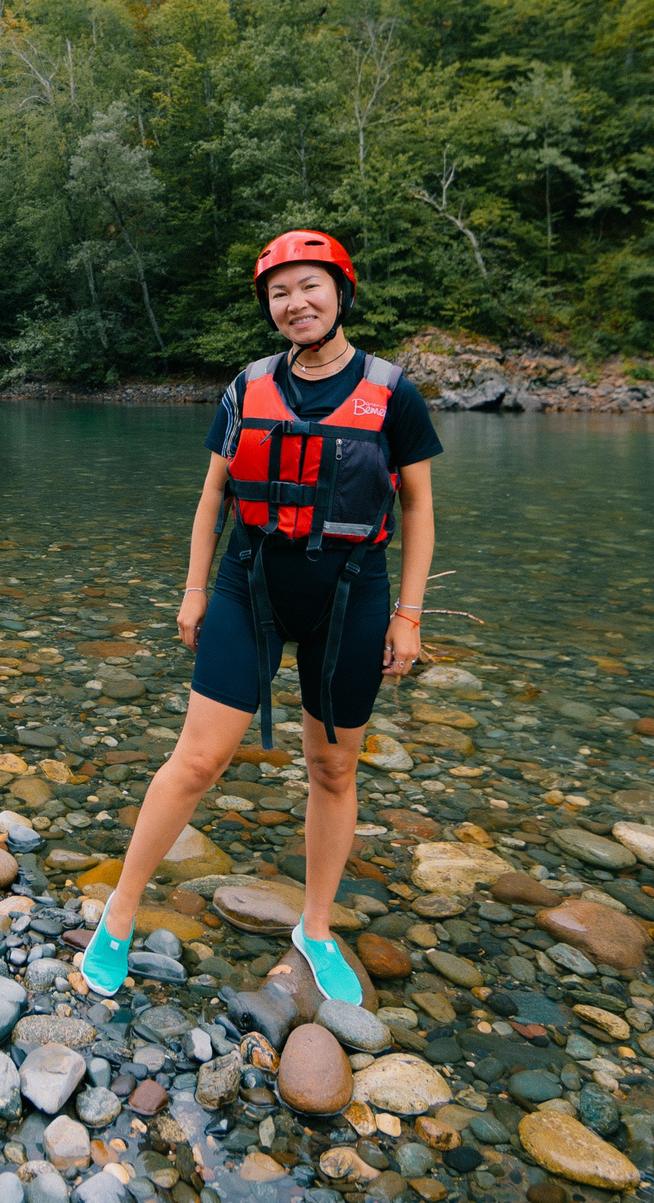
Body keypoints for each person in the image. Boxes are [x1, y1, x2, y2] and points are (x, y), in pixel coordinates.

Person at [77, 230, 439, 1004]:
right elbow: (215, 495)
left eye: (310, 286)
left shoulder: (392, 391)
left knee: (333, 766)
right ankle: (121, 911)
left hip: (351, 593)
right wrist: (194, 588)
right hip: (251, 585)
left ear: (341, 292)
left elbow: (417, 505)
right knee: (199, 760)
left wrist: (409, 614)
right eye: (280, 292)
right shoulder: (247, 387)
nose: (295, 303)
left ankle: (313, 927)